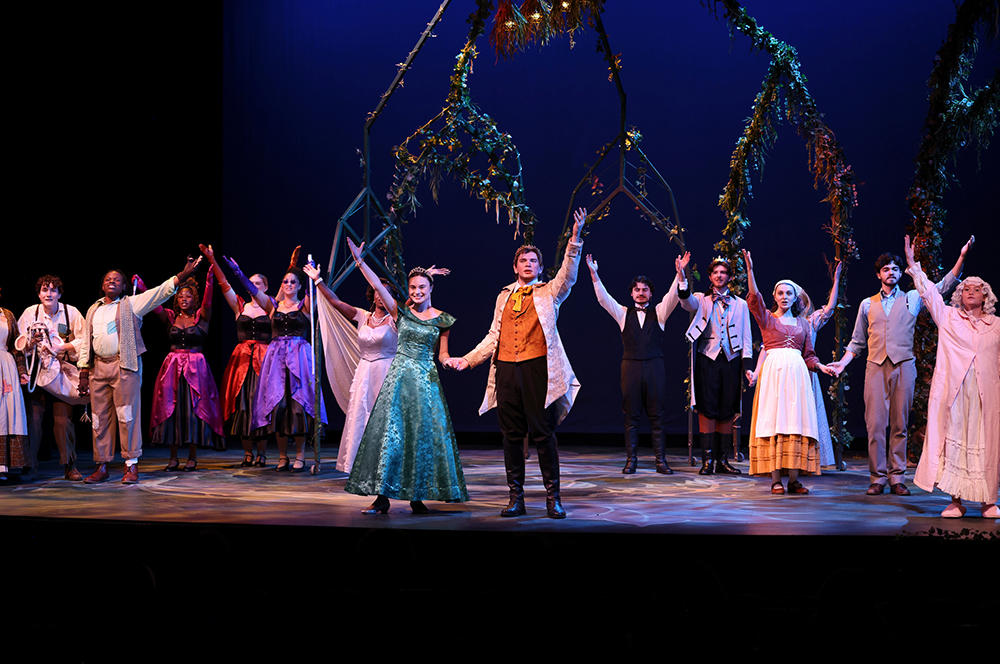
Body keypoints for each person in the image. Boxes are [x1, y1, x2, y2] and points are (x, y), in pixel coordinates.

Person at [448, 207, 587, 519]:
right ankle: (517, 498)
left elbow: (569, 274)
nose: (528, 264)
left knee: (543, 433)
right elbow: (493, 336)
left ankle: (553, 498)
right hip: (507, 369)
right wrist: (468, 361)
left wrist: (575, 238)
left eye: (533, 261)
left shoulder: (549, 291)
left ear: (539, 268)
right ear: (514, 267)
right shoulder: (504, 297)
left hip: (537, 368)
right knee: (511, 435)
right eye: (523, 260)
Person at [828, 237, 972, 495]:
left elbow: (943, 287)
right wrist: (843, 364)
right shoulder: (866, 304)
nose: (891, 272)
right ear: (878, 274)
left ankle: (896, 477)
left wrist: (961, 257)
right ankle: (877, 477)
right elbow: (857, 342)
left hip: (904, 366)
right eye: (886, 269)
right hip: (875, 366)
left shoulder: (914, 298)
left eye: (895, 268)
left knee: (899, 424)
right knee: (874, 424)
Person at [342, 239, 467, 513]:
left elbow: (442, 354)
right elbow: (377, 286)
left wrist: (451, 362)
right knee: (390, 437)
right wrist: (360, 261)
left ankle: (416, 497)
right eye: (412, 287)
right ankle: (382, 499)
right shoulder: (400, 313)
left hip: (425, 383)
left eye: (422, 287)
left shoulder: (442, 319)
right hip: (398, 380)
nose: (417, 291)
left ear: (431, 288)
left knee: (421, 439)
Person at [77, 257, 202, 484]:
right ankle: (102, 465)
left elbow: (161, 292)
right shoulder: (93, 309)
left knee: (127, 416)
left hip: (124, 366)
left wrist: (183, 274)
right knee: (98, 418)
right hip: (98, 368)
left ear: (124, 286)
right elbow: (86, 341)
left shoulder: (132, 304)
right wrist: (84, 371)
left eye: (117, 279)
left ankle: (130, 465)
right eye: (108, 279)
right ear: (102, 285)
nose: (112, 282)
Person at [903, 235, 997, 518]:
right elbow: (929, 293)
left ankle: (988, 501)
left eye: (976, 288)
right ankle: (955, 500)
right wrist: (913, 265)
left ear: (985, 296)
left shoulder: (997, 326)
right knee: (955, 439)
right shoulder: (948, 317)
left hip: (986, 396)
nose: (970, 291)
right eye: (965, 287)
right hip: (956, 394)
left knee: (986, 444)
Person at [742, 249, 836, 494]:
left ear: (796, 298)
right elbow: (754, 298)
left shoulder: (804, 324)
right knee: (774, 421)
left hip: (797, 378)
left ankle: (793, 479)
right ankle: (775, 479)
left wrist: (821, 366)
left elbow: (809, 356)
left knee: (796, 421)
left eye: (789, 293)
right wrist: (750, 271)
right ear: (775, 296)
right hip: (773, 376)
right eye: (780, 293)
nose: (784, 297)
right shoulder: (767, 319)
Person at [586, 252, 688, 475]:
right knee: (631, 415)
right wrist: (594, 274)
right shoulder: (623, 314)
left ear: (651, 293)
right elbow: (604, 299)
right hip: (630, 368)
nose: (641, 293)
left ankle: (660, 461)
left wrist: (679, 273)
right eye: (637, 290)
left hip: (654, 368)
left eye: (645, 289)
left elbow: (673, 296)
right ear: (631, 293)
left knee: (657, 415)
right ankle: (631, 460)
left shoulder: (659, 313)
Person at [247, 257, 327, 472]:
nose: (289, 285)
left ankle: (300, 455)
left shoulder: (305, 305)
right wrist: (237, 272)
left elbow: (315, 295)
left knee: (298, 405)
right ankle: (283, 456)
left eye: (293, 282)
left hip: (299, 359)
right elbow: (252, 291)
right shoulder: (272, 305)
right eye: (285, 282)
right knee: (279, 406)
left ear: (300, 285)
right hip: (275, 361)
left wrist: (315, 279)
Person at [677, 253, 753, 475]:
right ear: (710, 276)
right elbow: (685, 301)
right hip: (707, 359)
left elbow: (746, 336)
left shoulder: (740, 304)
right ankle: (707, 461)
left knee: (727, 409)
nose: (720, 276)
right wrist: (682, 275)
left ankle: (722, 460)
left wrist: (747, 366)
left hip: (730, 361)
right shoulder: (701, 299)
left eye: (724, 272)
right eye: (716, 272)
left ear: (729, 277)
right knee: (707, 407)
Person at [202, 244, 273, 467]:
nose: (253, 287)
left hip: (264, 360)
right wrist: (213, 260)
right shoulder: (239, 306)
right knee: (243, 405)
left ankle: (262, 453)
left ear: (265, 287)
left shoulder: (271, 306)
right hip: (242, 361)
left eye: (258, 284)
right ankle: (248, 453)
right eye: (251, 283)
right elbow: (224, 286)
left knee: (260, 405)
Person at [148, 267, 225, 471]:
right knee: (171, 410)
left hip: (196, 368)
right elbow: (154, 305)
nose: (184, 299)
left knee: (193, 410)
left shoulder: (201, 316)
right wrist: (145, 287)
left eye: (188, 296)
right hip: (172, 368)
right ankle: (173, 458)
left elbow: (208, 301)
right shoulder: (171, 317)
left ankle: (192, 456)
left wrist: (209, 281)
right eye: (180, 296)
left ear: (194, 299)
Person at [14, 275, 88, 481]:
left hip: (60, 373)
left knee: (63, 420)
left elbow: (85, 340)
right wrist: (30, 342)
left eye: (54, 290)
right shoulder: (31, 312)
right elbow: (18, 343)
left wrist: (63, 346)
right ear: (39, 293)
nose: (49, 294)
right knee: (34, 420)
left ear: (60, 293)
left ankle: (69, 464)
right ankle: (30, 466)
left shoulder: (71, 312)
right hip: (36, 374)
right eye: (45, 290)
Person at [0, 290, 28, 485]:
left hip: (6, 366)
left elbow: (15, 346)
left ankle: (2, 466)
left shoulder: (7, 315)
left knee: (6, 416)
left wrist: (22, 371)